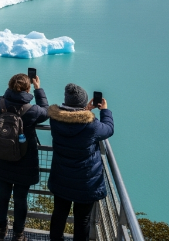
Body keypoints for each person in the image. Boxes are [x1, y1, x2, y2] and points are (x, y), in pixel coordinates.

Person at [47, 84, 114, 241]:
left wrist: (85, 111)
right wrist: (104, 110)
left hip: (61, 178)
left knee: (59, 214)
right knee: (82, 219)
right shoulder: (92, 125)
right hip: (86, 181)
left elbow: (71, 121)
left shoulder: (55, 120)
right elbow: (109, 129)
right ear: (83, 103)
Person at [0, 73, 49, 241]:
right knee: (20, 198)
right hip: (25, 160)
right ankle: (19, 234)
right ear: (28, 88)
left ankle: (1, 230)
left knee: (2, 194)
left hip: (2, 155)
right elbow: (46, 111)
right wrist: (39, 90)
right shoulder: (33, 110)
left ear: (10, 85)